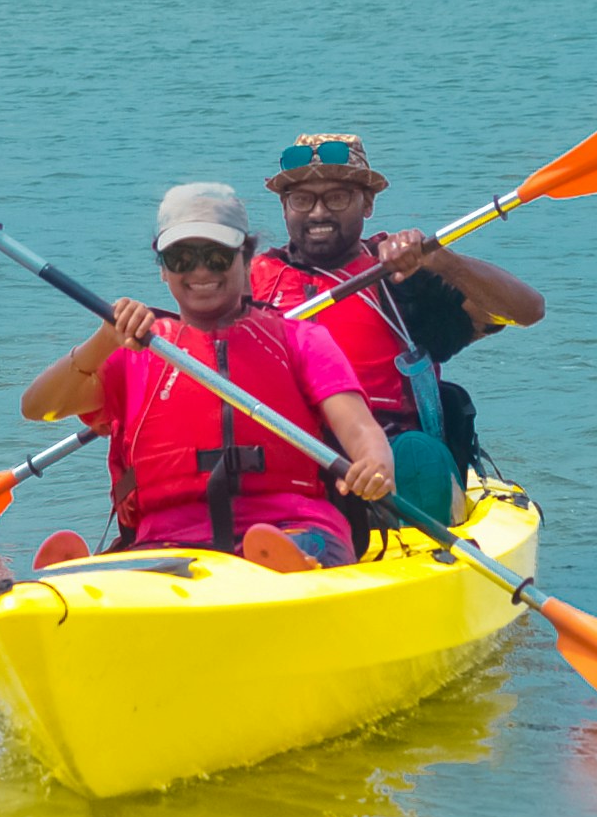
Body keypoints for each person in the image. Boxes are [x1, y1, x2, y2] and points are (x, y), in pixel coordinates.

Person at [23, 181, 399, 561]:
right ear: (163, 271)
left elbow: (360, 428)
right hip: (168, 540)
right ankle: (80, 585)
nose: (200, 271)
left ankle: (291, 573)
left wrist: (375, 464)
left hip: (292, 525)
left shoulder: (300, 340)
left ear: (246, 258)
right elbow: (38, 407)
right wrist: (102, 341)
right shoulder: (135, 351)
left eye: (217, 256)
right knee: (138, 565)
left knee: (291, 548)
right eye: (181, 258)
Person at [245, 132, 544, 477]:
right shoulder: (251, 281)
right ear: (284, 206)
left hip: (393, 467)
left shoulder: (400, 277)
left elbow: (528, 311)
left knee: (417, 454)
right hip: (290, 460)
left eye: (337, 197)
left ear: (368, 203)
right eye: (301, 199)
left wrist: (443, 262)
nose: (318, 213)